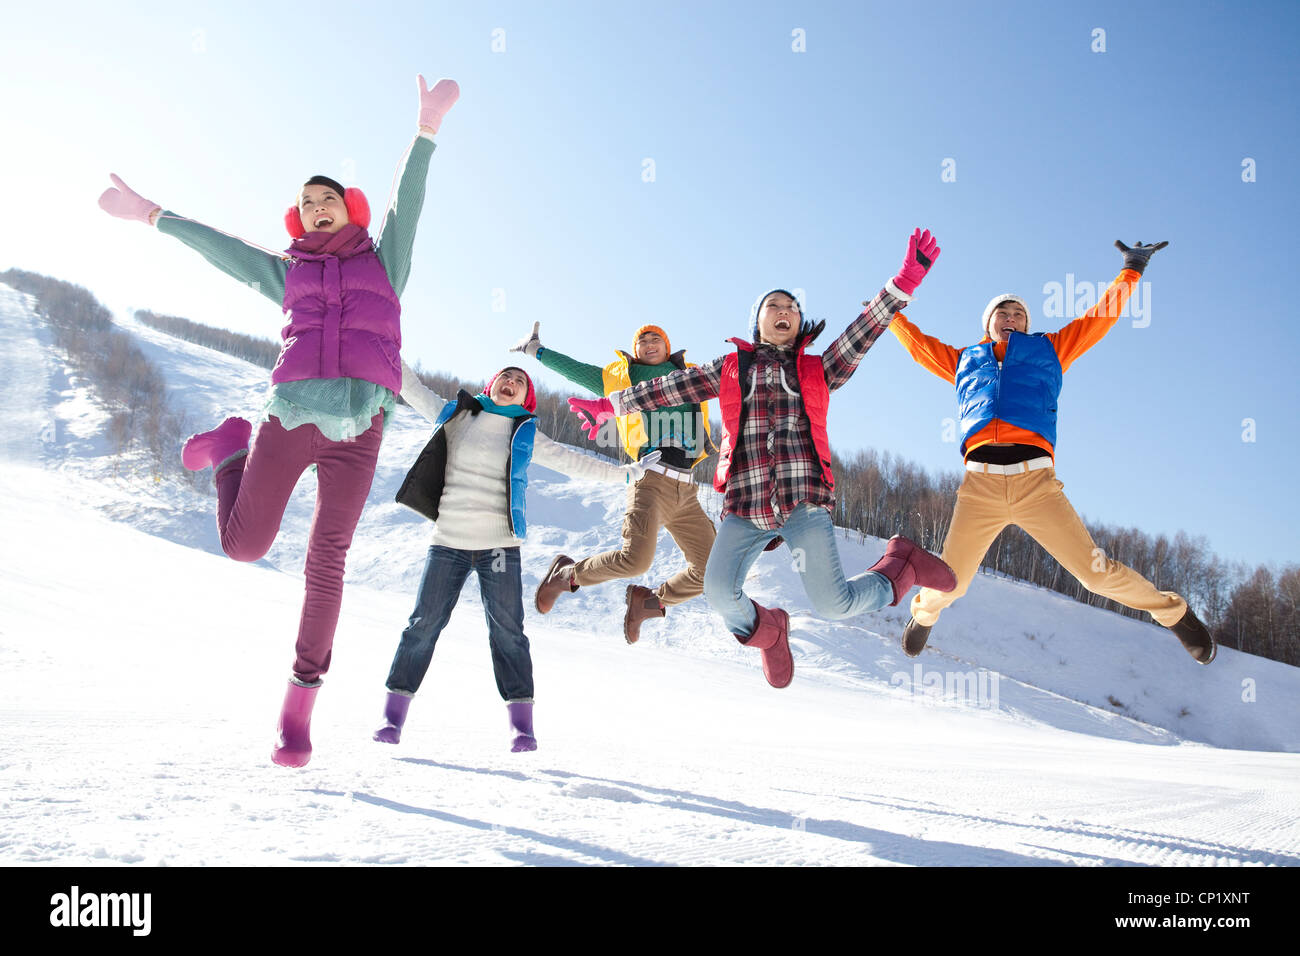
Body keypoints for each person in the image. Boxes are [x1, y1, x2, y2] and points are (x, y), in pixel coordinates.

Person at [96, 75, 461, 767]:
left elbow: (406, 204)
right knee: (243, 549)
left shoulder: (386, 264)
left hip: (361, 432)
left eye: (329, 199)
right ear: (298, 220)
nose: (318, 208)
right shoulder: (286, 272)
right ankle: (231, 448)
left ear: (347, 210)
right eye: (306, 204)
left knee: (328, 561)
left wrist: (426, 128)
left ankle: (299, 710)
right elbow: (222, 249)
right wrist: (152, 215)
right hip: (290, 420)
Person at [566, 230, 957, 688]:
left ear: (800, 323)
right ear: (758, 322)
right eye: (774, 306)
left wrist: (902, 282)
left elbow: (861, 333)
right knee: (716, 591)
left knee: (833, 604)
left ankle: (902, 566)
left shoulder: (818, 368)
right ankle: (770, 631)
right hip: (746, 506)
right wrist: (613, 405)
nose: (784, 312)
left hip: (803, 503)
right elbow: (666, 389)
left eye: (792, 307)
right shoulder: (731, 367)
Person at [887, 239, 1216, 664]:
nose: (1010, 317)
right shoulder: (965, 360)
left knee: (1095, 574)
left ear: (1027, 323)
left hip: (1036, 485)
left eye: (1018, 313)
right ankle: (924, 616)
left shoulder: (1050, 350)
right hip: (980, 487)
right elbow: (919, 346)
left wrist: (1131, 270)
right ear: (988, 324)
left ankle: (1174, 614)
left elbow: (1100, 317)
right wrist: (890, 316)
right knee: (951, 579)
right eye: (1002, 313)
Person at [379, 363, 658, 751]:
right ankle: (392, 719)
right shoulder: (457, 414)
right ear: (491, 384)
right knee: (423, 625)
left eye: (520, 381)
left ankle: (521, 727)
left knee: (508, 632)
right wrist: (386, 340)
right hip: (448, 542)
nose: (511, 383)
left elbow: (573, 461)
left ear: (526, 396)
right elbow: (412, 387)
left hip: (498, 547)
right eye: (505, 377)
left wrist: (627, 474)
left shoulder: (526, 431)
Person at [516, 322, 715, 643]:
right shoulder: (623, 379)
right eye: (643, 341)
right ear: (634, 351)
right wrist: (537, 350)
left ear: (668, 347)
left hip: (687, 490)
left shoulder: (692, 376)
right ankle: (566, 576)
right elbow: (577, 371)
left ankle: (650, 602)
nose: (650, 344)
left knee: (710, 572)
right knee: (635, 560)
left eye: (656, 339)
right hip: (652, 479)